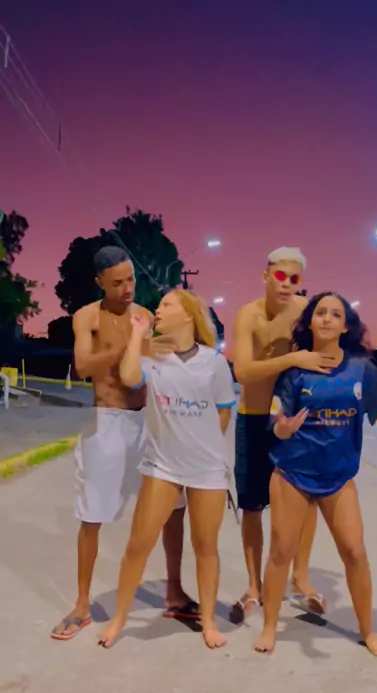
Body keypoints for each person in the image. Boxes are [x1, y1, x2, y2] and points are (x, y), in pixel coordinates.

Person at [255, 292, 377, 656]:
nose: (327, 318)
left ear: (345, 326)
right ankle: (269, 627)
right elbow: (277, 420)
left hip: (338, 477)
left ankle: (367, 631)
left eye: (335, 314)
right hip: (293, 473)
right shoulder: (295, 369)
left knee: (355, 552)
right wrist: (282, 429)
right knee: (281, 551)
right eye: (321, 313)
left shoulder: (361, 368)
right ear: (311, 322)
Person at [51, 247, 196, 641]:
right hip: (107, 423)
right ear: (100, 282)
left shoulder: (144, 315)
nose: (127, 288)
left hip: (148, 421)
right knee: (92, 514)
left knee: (173, 506)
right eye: (117, 283)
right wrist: (130, 343)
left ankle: (174, 591)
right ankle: (82, 605)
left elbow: (159, 364)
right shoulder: (87, 317)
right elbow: (84, 366)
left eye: (130, 279)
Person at [97, 289, 236, 650]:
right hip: (163, 465)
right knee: (138, 545)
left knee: (206, 546)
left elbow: (224, 409)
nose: (157, 310)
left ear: (188, 314)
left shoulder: (214, 362)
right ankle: (119, 619)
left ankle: (208, 622)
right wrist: (137, 336)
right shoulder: (152, 354)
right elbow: (129, 377)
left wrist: (204, 442)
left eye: (166, 305)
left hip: (207, 469)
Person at [231, 247, 335, 622]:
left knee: (305, 501)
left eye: (294, 278)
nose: (287, 284)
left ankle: (300, 578)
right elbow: (243, 371)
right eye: (280, 276)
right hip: (254, 417)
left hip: (295, 419)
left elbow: (328, 352)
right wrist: (293, 358)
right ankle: (254, 586)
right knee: (252, 505)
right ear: (265, 276)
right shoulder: (249, 315)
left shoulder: (307, 311)